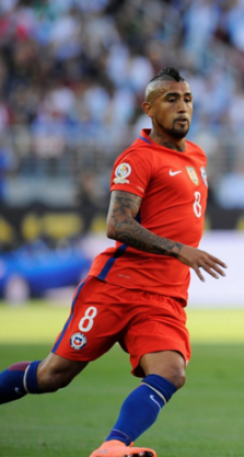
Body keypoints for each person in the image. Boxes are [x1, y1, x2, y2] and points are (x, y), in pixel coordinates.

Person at [0, 67, 227, 457]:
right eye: (171, 99)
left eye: (187, 98)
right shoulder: (137, 158)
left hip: (164, 296)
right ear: (149, 108)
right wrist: (179, 249)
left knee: (172, 372)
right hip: (117, 288)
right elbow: (117, 224)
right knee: (53, 376)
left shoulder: (198, 156)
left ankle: (112, 447)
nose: (183, 107)